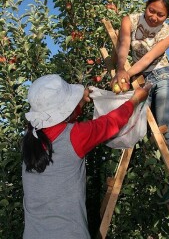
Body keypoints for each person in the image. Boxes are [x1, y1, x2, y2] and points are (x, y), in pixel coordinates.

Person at [22, 74, 150, 239]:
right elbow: (111, 122)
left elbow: (55, 126)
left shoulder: (29, 140)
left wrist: (80, 103)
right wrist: (135, 100)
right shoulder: (75, 136)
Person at [111, 0, 169, 204]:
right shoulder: (129, 20)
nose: (154, 17)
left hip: (162, 76)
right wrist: (121, 68)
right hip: (141, 80)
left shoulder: (168, 33)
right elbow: (123, 45)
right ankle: (128, 180)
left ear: (167, 17)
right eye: (151, 10)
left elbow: (149, 57)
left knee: (165, 127)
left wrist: (126, 74)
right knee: (136, 125)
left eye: (161, 15)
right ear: (146, 4)